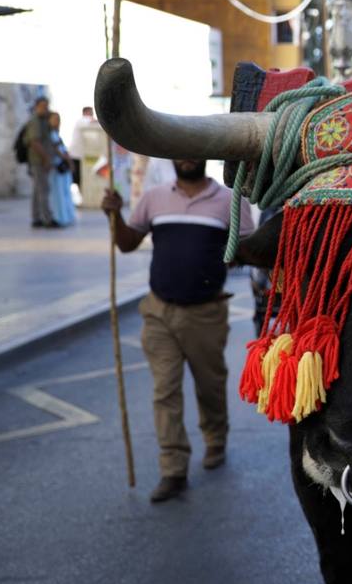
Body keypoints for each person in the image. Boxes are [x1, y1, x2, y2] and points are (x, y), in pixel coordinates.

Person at [101, 159, 255, 503]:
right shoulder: (154, 197)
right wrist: (114, 216)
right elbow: (127, 243)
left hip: (206, 312)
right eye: (179, 152)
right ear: (172, 158)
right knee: (164, 391)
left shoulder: (232, 201)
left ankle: (215, 438)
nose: (185, 158)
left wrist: (223, 255)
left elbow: (249, 251)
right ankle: (173, 468)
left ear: (203, 156)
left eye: (191, 151)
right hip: (159, 311)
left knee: (209, 385)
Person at [21, 96, 55, 227]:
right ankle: (47, 219)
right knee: (43, 190)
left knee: (37, 190)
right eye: (43, 106)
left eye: (46, 106)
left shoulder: (43, 120)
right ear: (36, 107)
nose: (45, 109)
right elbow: (34, 142)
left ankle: (36, 218)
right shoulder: (35, 121)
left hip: (39, 160)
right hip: (38, 160)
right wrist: (46, 158)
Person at [46, 112, 76, 228]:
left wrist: (69, 161)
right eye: (54, 119)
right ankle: (61, 217)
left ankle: (65, 217)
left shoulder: (56, 134)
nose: (56, 121)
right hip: (57, 166)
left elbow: (62, 150)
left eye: (58, 119)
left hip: (61, 167)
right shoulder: (50, 135)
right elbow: (58, 150)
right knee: (58, 194)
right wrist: (69, 161)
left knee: (63, 193)